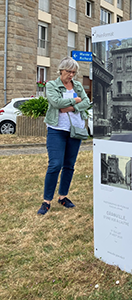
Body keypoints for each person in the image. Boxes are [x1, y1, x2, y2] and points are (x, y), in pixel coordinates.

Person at [37, 57, 90, 215]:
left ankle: (63, 197)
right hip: (57, 129)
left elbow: (87, 102)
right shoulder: (52, 85)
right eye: (69, 72)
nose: (71, 75)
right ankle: (47, 201)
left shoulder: (78, 85)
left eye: (74, 72)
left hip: (75, 130)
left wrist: (70, 108)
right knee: (55, 164)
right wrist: (75, 100)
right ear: (61, 70)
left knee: (69, 165)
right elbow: (56, 103)